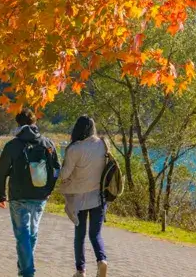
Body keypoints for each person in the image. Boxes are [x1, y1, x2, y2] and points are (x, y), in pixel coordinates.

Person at [0, 108, 61, 277]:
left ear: (18, 124)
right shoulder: (47, 143)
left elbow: (1, 171)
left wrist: (1, 195)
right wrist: (49, 190)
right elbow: (56, 169)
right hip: (40, 196)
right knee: (32, 233)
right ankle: (25, 268)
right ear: (34, 122)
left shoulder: (12, 145)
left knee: (22, 234)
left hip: (18, 196)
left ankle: (27, 271)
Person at [59, 116, 108, 277]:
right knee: (95, 234)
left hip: (79, 198)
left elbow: (64, 175)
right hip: (99, 197)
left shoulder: (75, 149)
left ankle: (81, 271)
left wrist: (57, 167)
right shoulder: (103, 144)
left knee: (79, 236)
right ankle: (102, 260)